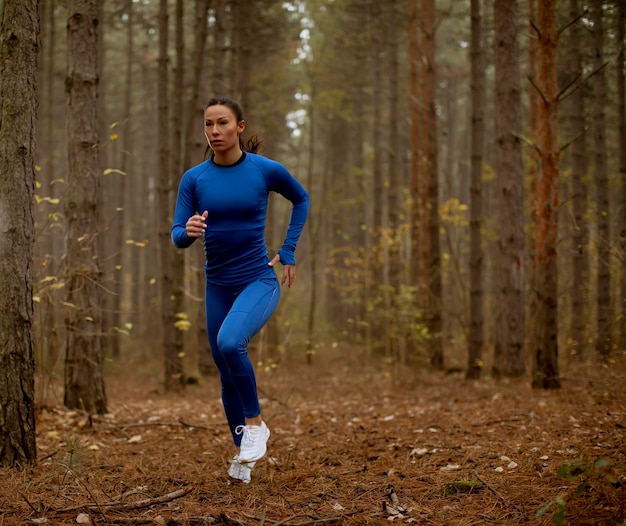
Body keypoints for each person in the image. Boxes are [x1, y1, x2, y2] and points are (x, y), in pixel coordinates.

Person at [171, 96, 309, 484]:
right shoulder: (194, 179)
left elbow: (301, 198)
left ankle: (256, 425)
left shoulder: (265, 171)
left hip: (258, 281)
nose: (214, 131)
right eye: (208, 125)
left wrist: (288, 249)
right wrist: (189, 232)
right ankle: (243, 459)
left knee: (231, 342)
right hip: (217, 285)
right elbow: (177, 234)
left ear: (240, 127)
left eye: (222, 124)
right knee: (226, 375)